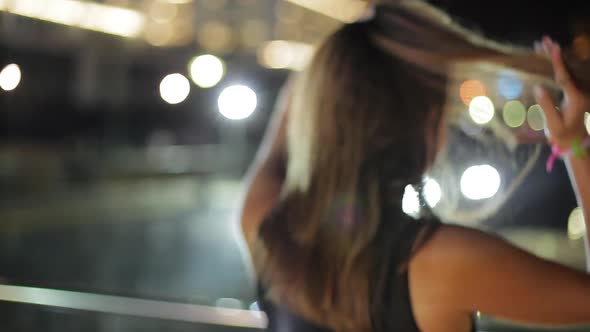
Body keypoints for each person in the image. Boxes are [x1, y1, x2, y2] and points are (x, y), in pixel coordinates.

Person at [239, 1, 590, 331]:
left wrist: (344, 53)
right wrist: (576, 144)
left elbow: (281, 132)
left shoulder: (266, 228)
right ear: (425, 124)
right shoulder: (440, 262)